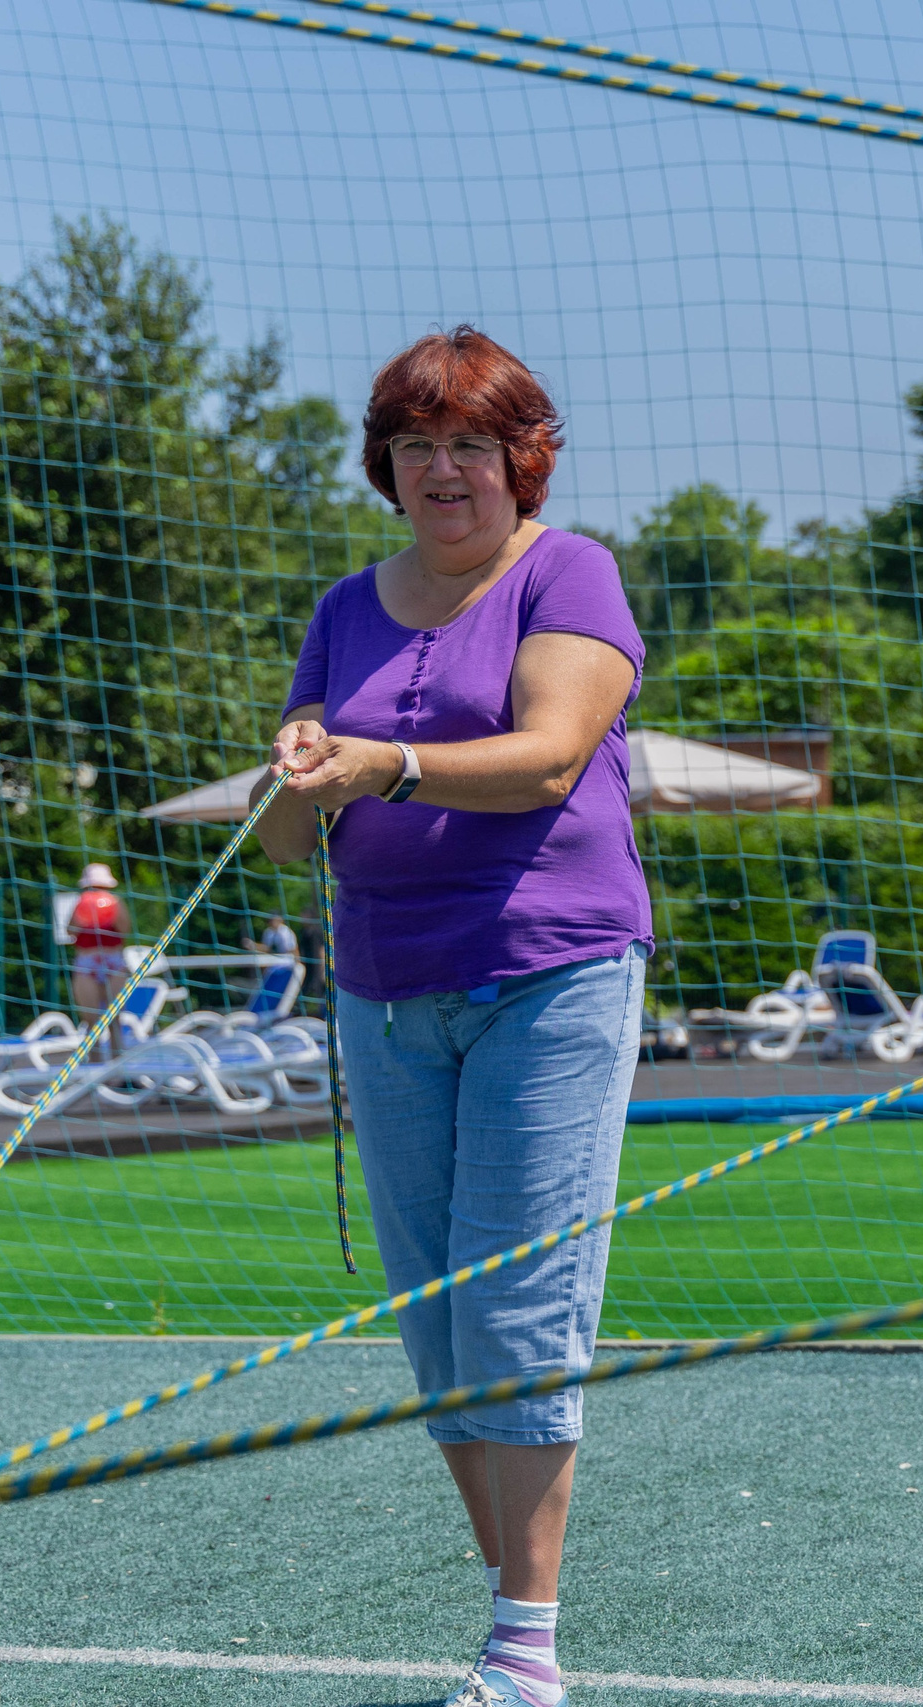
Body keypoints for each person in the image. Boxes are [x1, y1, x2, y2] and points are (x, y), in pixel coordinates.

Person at [252, 326, 649, 1707]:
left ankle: (523, 1650)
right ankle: (514, 1610)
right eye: (416, 446)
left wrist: (391, 760)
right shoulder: (343, 608)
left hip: (552, 971)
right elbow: (286, 848)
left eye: (469, 445)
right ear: (387, 464)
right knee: (438, 1327)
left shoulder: (566, 570)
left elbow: (546, 760)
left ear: (518, 460)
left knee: (521, 1300)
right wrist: (299, 773)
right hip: (383, 990)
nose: (443, 469)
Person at [65, 863, 132, 1057]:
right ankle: (94, 1064)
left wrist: (111, 911)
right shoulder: (80, 903)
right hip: (87, 960)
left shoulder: (116, 902)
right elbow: (70, 931)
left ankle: (119, 1064)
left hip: (113, 959)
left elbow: (125, 930)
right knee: (91, 1019)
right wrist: (84, 916)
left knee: (115, 1017)